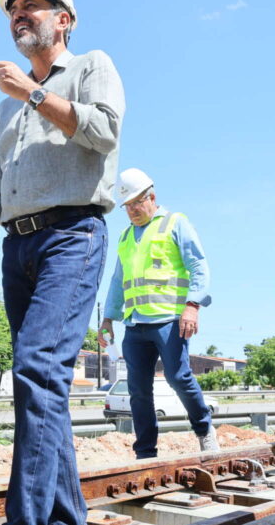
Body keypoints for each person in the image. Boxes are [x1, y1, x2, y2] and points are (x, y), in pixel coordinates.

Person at [0, 0, 124, 525]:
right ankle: (67, 515)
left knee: (37, 368)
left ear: (62, 19)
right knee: (41, 384)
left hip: (72, 236)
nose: (19, 15)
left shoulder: (92, 66)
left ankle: (27, 519)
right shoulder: (5, 108)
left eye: (32, 6)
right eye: (13, 9)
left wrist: (34, 91)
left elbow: (104, 131)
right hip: (17, 251)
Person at [98, 168, 218, 459]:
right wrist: (108, 318)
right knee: (138, 390)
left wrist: (193, 305)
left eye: (136, 204)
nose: (131, 211)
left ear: (151, 197)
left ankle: (204, 429)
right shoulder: (126, 237)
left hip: (170, 320)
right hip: (136, 324)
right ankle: (146, 452)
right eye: (126, 207)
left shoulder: (175, 224)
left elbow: (198, 266)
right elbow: (118, 281)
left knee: (179, 377)